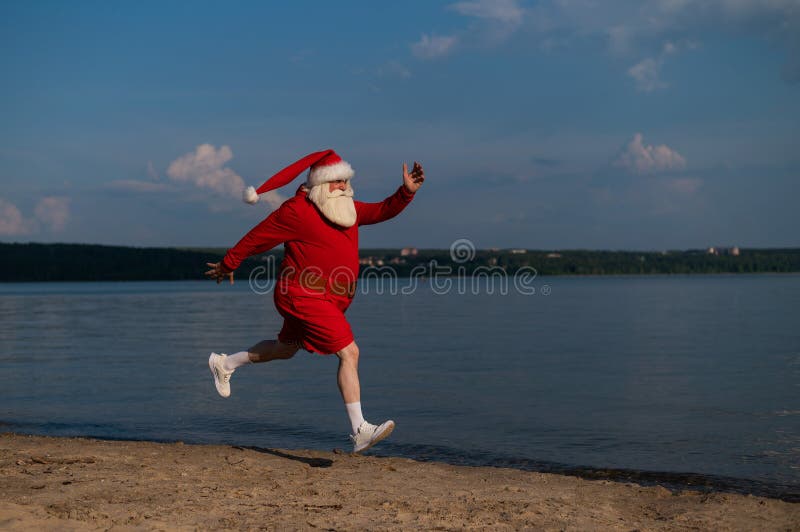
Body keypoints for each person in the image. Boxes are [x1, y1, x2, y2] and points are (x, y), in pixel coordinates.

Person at [204, 149, 425, 453]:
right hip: (300, 293)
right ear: (321, 183)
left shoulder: (349, 211)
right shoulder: (297, 210)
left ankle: (225, 363)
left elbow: (383, 209)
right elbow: (257, 237)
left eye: (346, 180)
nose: (344, 186)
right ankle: (360, 429)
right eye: (337, 181)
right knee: (350, 352)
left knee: (285, 350)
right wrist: (229, 263)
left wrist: (406, 192)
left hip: (328, 299)